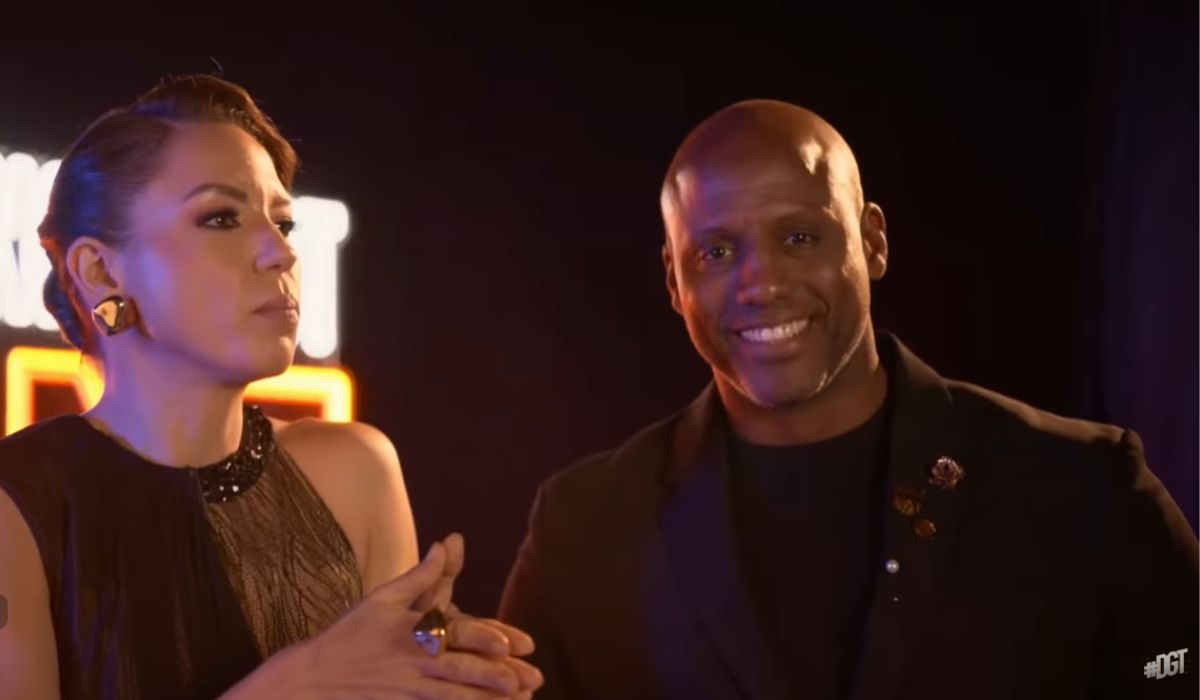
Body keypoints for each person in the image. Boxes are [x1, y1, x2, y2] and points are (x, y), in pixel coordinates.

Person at [499, 99, 1198, 699]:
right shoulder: (582, 528)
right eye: (715, 253)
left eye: (799, 237)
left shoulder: (1087, 490)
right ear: (672, 282)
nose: (761, 284)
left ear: (872, 241)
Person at [0, 74, 542, 700]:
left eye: (283, 224)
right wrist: (302, 680)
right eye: (220, 217)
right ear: (99, 270)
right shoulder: (19, 504)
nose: (278, 253)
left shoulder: (355, 471)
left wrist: (442, 675)